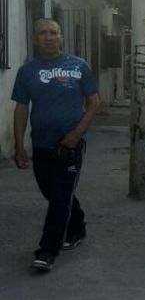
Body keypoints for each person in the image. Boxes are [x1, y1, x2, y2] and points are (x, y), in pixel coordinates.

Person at [12, 18, 100, 272]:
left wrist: (77, 133)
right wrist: (19, 145)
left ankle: (48, 250)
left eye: (53, 33)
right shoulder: (26, 72)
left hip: (70, 144)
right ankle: (78, 225)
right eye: (43, 33)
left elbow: (94, 102)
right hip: (41, 144)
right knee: (52, 192)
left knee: (60, 197)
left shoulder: (78, 66)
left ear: (61, 38)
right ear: (35, 39)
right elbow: (20, 108)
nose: (48, 37)